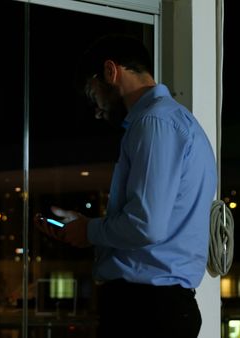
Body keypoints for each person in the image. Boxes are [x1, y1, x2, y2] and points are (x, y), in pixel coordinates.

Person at [34, 34, 217, 338]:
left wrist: (89, 231)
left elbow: (146, 225)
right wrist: (88, 228)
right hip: (157, 306)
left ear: (111, 72)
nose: (97, 110)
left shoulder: (154, 123)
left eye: (94, 95)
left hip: (146, 309)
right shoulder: (175, 121)